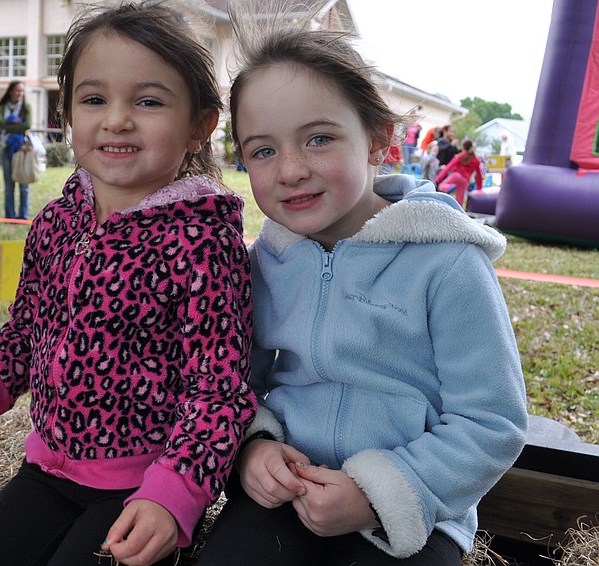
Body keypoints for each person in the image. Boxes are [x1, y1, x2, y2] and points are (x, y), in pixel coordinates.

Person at [0, 2, 257, 565]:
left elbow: (219, 391)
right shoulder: (54, 222)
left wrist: (173, 497)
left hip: (141, 485)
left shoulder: (202, 243)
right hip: (46, 470)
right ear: (69, 115)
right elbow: (26, 330)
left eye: (148, 101)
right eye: (94, 99)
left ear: (200, 125)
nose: (117, 119)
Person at [197, 5, 527, 565]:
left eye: (319, 139)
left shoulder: (447, 262)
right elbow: (233, 382)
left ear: (378, 141)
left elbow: (492, 421)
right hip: (289, 491)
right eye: (263, 150)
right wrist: (253, 449)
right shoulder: (264, 262)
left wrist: (378, 495)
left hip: (414, 509)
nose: (291, 169)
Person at [0, 80, 33, 219]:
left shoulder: (26, 107)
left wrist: (8, 126)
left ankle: (23, 215)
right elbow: (1, 123)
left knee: (24, 185)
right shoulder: (2, 106)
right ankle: (10, 216)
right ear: (11, 91)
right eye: (17, 90)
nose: (20, 93)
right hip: (6, 147)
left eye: (22, 91)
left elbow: (27, 125)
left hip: (21, 149)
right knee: (8, 185)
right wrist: (16, 126)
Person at [435, 139, 485, 208]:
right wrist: (479, 188)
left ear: (463, 147)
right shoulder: (476, 160)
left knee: (441, 186)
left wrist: (438, 179)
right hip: (465, 181)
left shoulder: (459, 156)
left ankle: (450, 187)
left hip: (456, 176)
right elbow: (479, 175)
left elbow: (448, 167)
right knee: (459, 201)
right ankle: (459, 215)